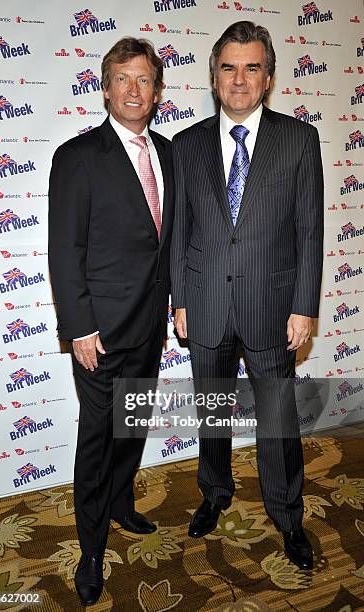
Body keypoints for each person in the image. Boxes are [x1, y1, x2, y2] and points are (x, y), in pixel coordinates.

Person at [171, 21, 323, 570]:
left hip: (273, 309)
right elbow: (180, 233)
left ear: (268, 77)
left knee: (278, 422)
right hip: (206, 304)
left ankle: (288, 516)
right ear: (214, 77)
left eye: (251, 67)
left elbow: (310, 229)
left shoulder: (299, 140)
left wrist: (305, 305)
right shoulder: (186, 145)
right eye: (229, 67)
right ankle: (214, 493)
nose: (239, 79)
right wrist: (180, 300)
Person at [48, 37, 174, 606]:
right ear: (104, 88)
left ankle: (121, 505)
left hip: (150, 327)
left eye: (144, 79)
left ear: (157, 92)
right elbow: (64, 250)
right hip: (98, 334)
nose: (133, 89)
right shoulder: (77, 157)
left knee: (133, 427)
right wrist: (79, 328)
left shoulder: (170, 154)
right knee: (96, 442)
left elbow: (169, 243)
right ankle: (91, 546)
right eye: (122, 78)